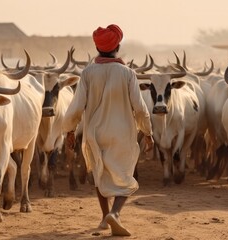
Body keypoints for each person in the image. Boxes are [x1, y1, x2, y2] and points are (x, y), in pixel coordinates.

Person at [62, 24, 154, 236]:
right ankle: (115, 213)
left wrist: (69, 130)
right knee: (126, 176)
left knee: (99, 173)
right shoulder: (128, 73)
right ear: (117, 47)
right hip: (122, 133)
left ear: (97, 48)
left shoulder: (87, 73)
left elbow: (76, 106)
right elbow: (140, 108)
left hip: (94, 132)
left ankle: (104, 218)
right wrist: (148, 133)